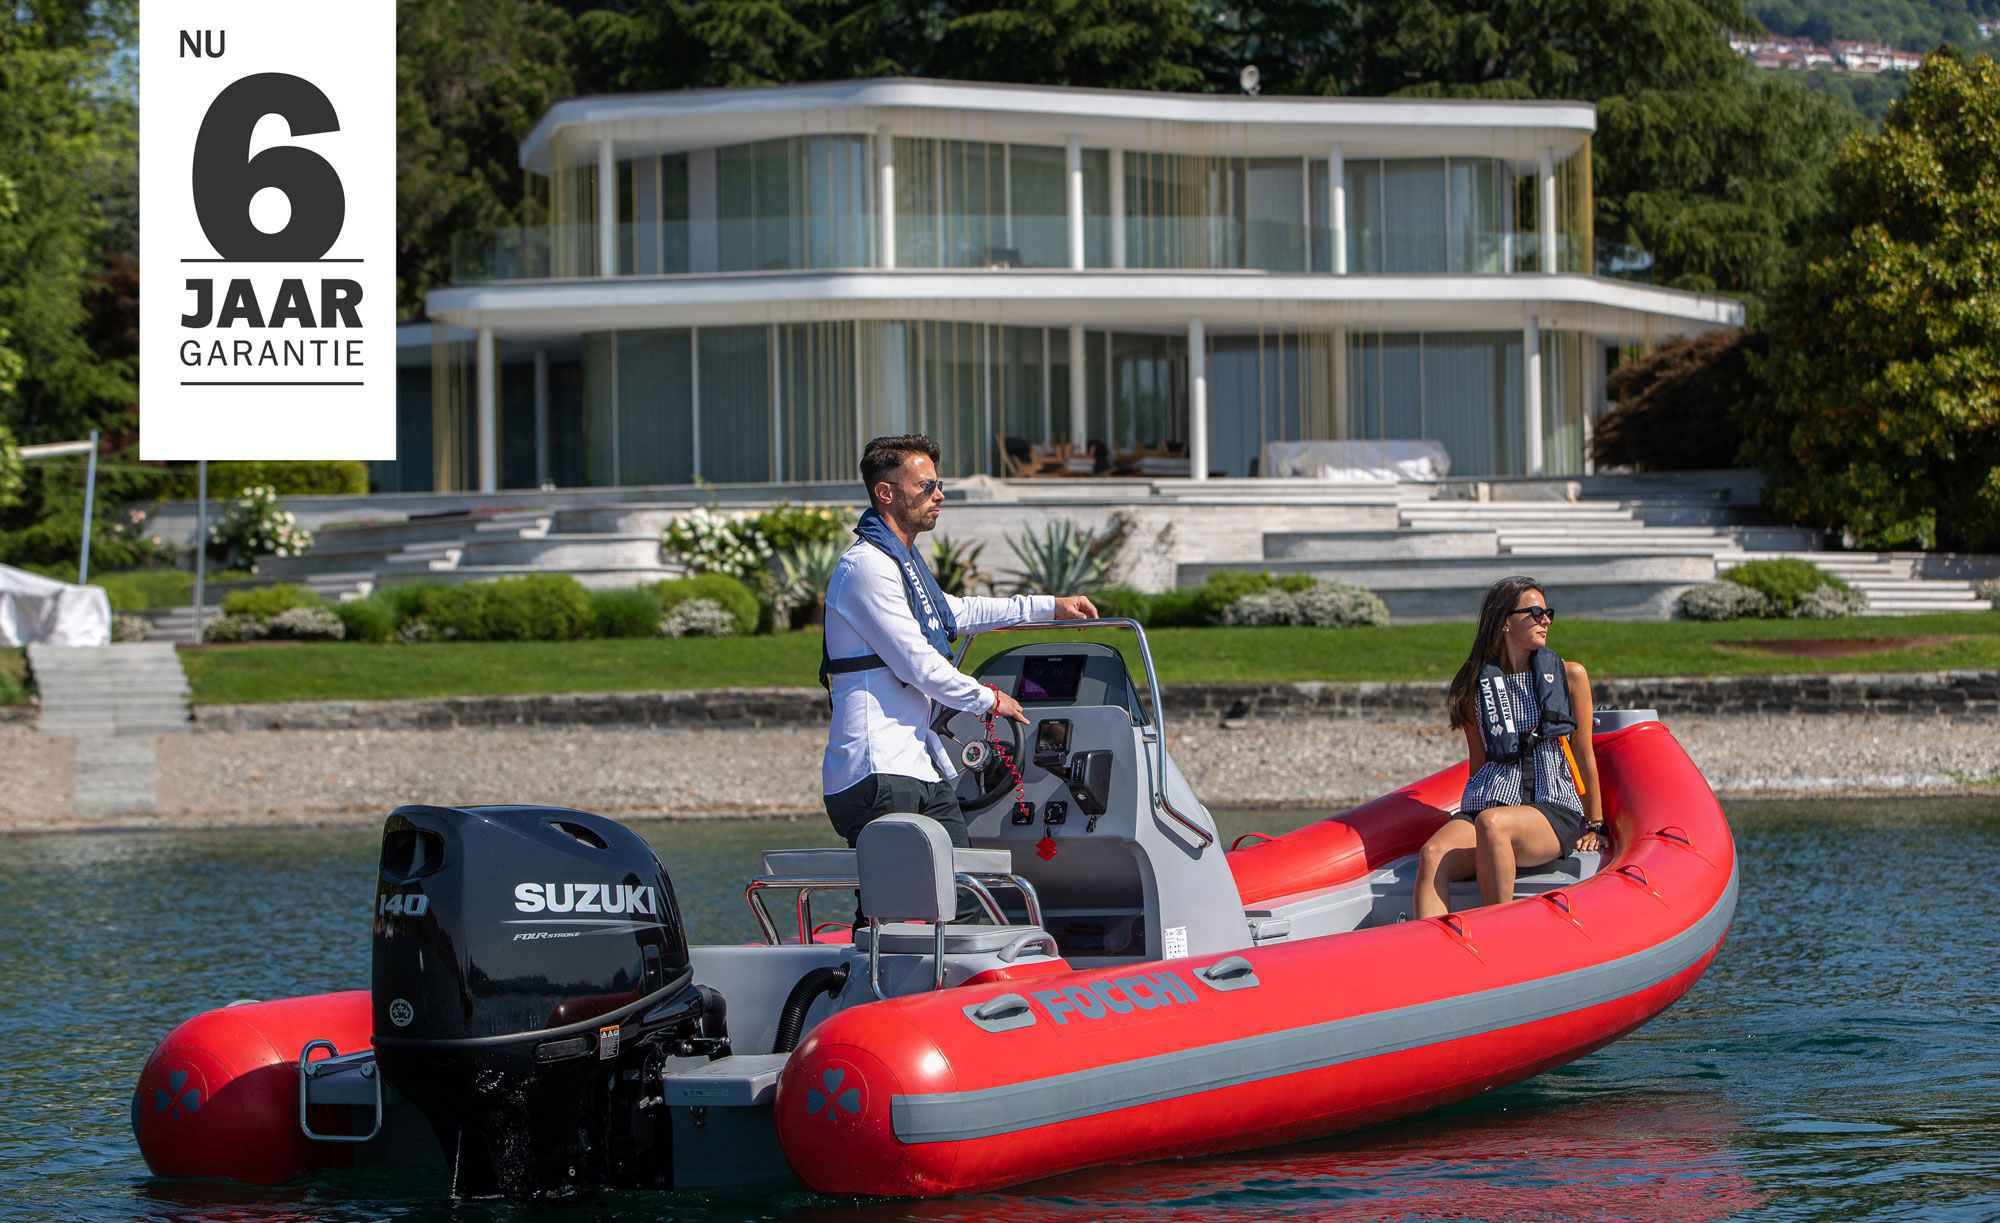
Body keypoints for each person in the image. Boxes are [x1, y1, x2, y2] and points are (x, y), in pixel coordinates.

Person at [821, 434, 1097, 918]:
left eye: (938, 484)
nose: (939, 494)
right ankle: (886, 988)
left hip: (917, 767)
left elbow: (959, 611)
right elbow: (919, 666)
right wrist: (989, 700)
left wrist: (1048, 606)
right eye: (927, 485)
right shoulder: (865, 568)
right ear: (886, 493)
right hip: (877, 770)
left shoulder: (901, 567)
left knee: (963, 898)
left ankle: (963, 989)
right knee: (902, 912)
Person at [1413, 576, 1605, 919]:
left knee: (1494, 824)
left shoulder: (1569, 675)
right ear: (1504, 620)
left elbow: (1583, 753)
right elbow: (1479, 763)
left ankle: (1499, 937)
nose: (1545, 620)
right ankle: (1431, 957)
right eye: (1534, 612)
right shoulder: (1475, 687)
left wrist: (1595, 824)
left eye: (1548, 613)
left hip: (1549, 807)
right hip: (1489, 805)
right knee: (1432, 854)